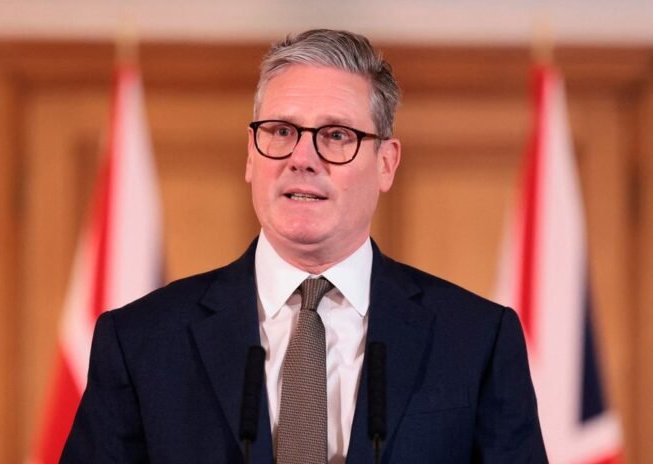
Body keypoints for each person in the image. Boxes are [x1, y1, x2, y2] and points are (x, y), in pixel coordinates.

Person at [61, 29, 547, 463]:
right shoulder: (141, 341)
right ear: (251, 155)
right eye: (281, 131)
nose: (302, 158)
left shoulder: (477, 341)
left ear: (386, 163)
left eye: (336, 135)